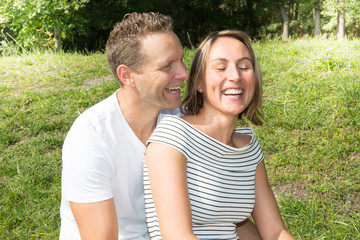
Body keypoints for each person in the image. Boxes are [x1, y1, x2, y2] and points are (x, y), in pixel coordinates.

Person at [60, 12, 260, 240]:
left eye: (181, 60)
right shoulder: (91, 137)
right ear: (128, 76)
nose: (184, 74)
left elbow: (227, 216)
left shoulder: (185, 123)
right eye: (167, 67)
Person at [144, 30, 296, 240]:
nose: (235, 76)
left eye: (244, 67)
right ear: (198, 82)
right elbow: (177, 236)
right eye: (221, 67)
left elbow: (275, 232)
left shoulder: (249, 147)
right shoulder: (172, 138)